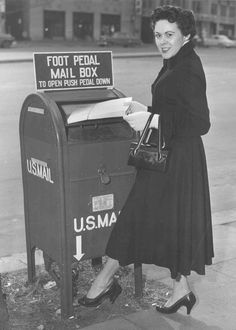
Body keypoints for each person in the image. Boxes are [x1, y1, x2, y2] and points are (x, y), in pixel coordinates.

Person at [78, 5, 214, 315]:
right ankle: (180, 289)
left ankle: (104, 281)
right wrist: (147, 112)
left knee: (137, 215)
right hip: (165, 155)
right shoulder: (175, 61)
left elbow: (201, 122)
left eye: (169, 34)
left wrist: (154, 121)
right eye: (157, 35)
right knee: (162, 220)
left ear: (186, 35)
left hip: (178, 161)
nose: (162, 41)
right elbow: (174, 107)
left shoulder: (187, 67)